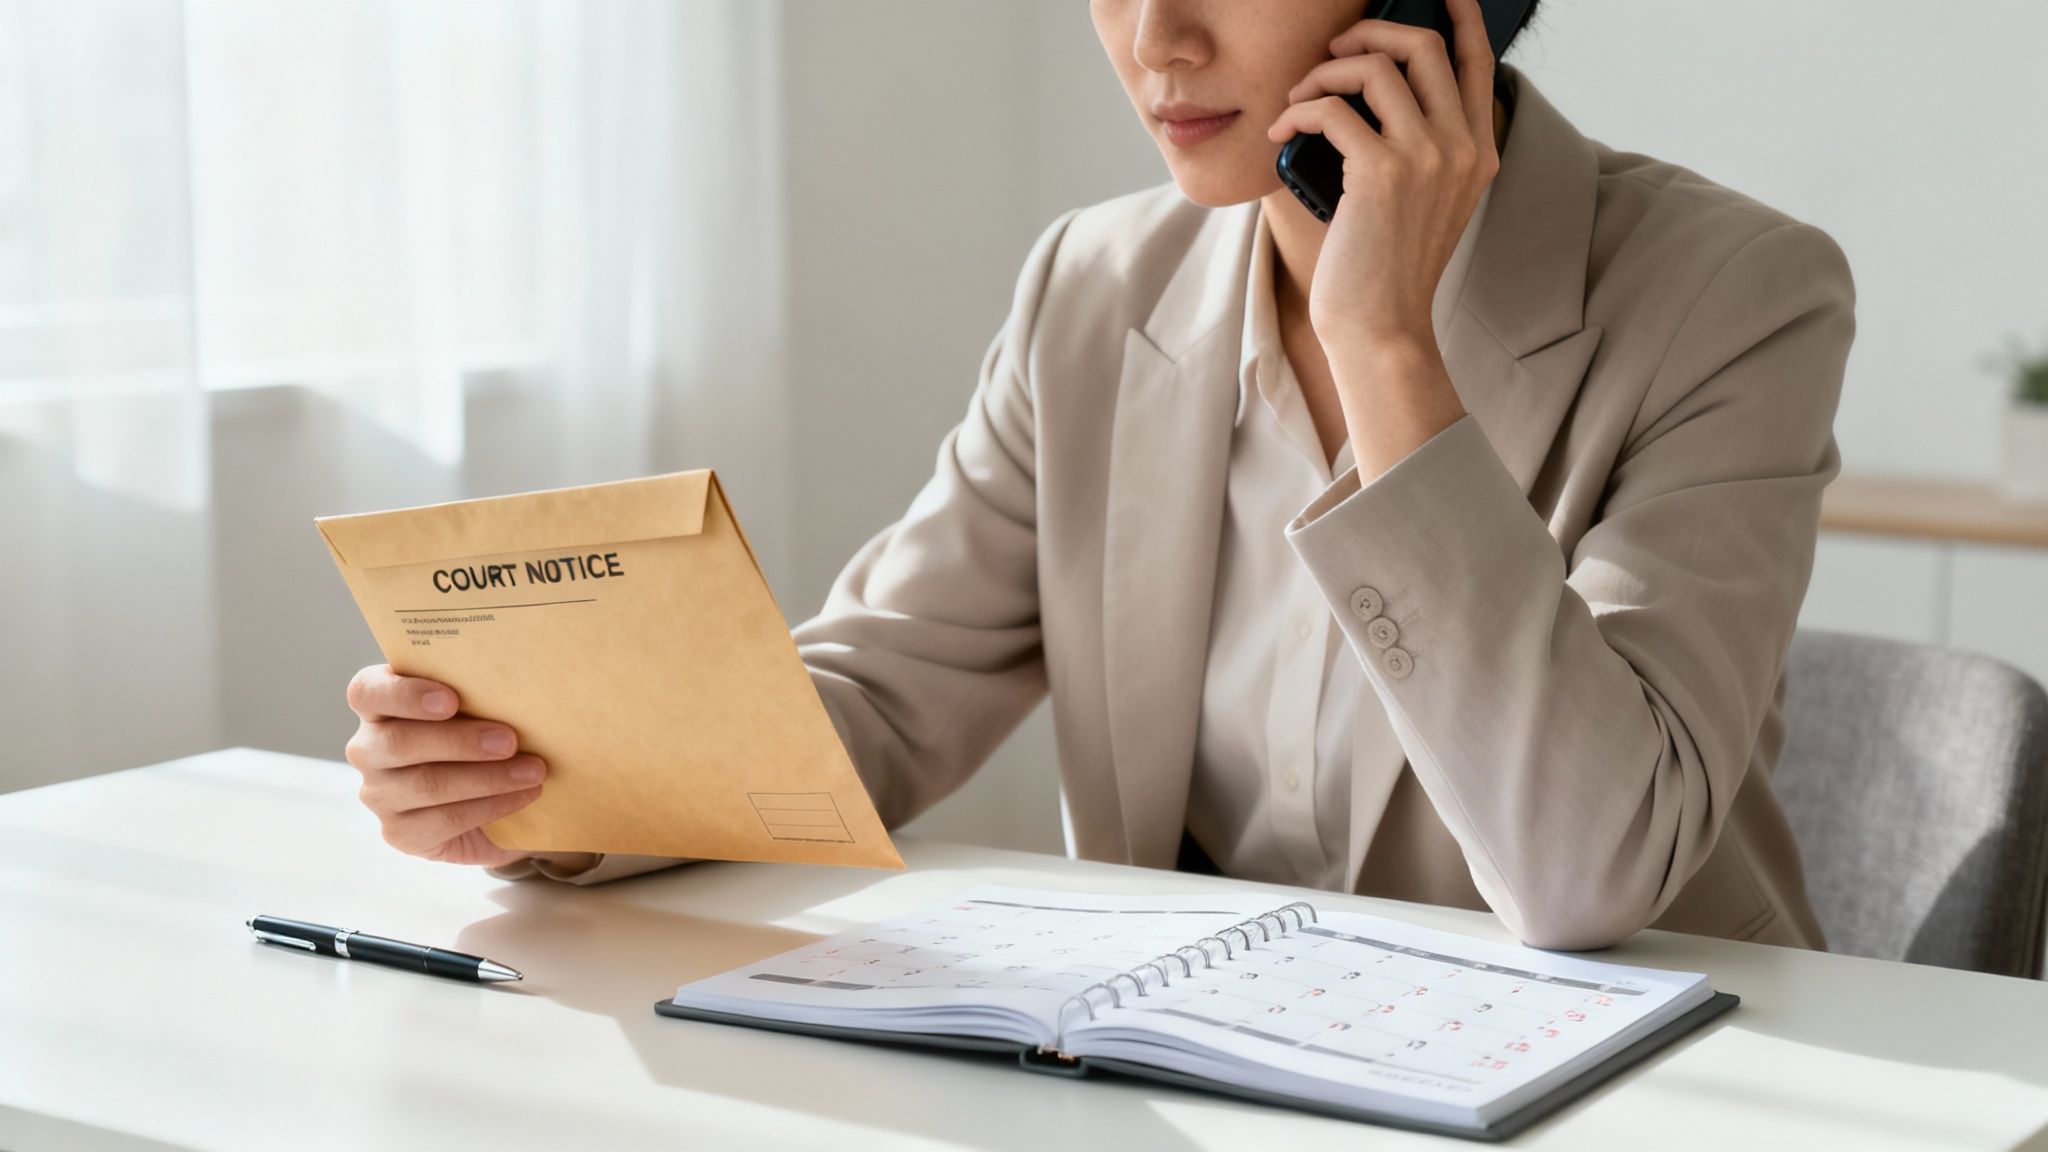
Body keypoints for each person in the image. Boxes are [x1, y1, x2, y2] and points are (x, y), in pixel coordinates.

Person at [343, 0, 1854, 951]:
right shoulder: (1095, 280)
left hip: (1642, 1088)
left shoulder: (1736, 296)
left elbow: (1587, 872)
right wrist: (552, 780)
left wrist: (1387, 345)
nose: (1154, 42)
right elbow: (877, 698)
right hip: (1207, 1074)